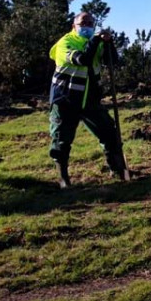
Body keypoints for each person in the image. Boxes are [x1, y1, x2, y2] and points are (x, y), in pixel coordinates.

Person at [47, 12, 127, 188]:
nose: (88, 26)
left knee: (109, 133)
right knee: (61, 140)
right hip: (65, 100)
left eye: (91, 23)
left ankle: (118, 170)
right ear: (74, 25)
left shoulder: (96, 43)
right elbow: (82, 59)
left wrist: (109, 44)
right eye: (83, 22)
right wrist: (97, 40)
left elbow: (112, 61)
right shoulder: (65, 43)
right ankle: (63, 179)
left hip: (90, 100)